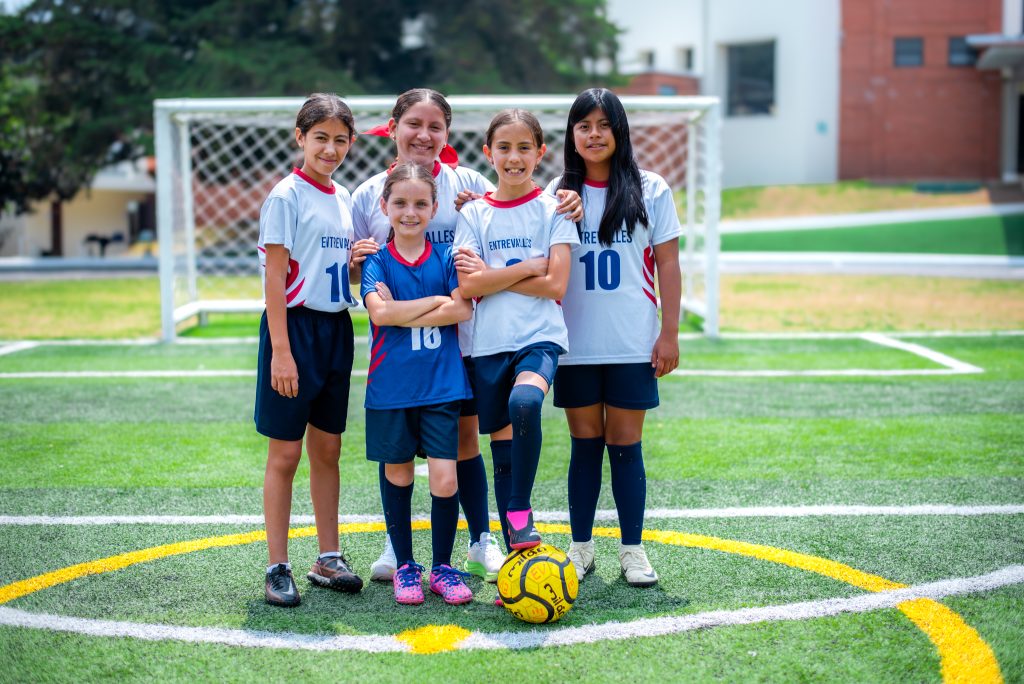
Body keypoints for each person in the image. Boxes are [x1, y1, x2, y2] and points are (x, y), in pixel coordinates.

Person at [350, 88, 582, 582]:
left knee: (463, 445)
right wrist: (361, 274)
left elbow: (510, 209)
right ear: (393, 127)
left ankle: (480, 539)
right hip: (404, 349)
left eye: (436, 127)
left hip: (467, 335)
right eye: (414, 123)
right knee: (398, 455)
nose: (424, 135)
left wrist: (568, 198)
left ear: (449, 136)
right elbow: (362, 270)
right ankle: (399, 550)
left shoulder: (470, 186)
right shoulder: (367, 194)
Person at [546, 88, 681, 588]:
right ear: (572, 136)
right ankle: (580, 547)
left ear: (619, 130)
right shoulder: (557, 194)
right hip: (575, 344)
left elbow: (668, 262)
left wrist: (669, 333)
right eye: (584, 126)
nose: (595, 134)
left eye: (604, 125)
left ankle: (633, 550)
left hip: (632, 343)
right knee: (585, 445)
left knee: (626, 445)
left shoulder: (651, 188)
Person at [453, 108, 580, 554]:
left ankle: (521, 511)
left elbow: (557, 284)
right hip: (489, 344)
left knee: (525, 402)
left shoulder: (555, 210)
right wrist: (527, 266)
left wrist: (495, 275)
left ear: (540, 153)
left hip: (538, 336)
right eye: (504, 148)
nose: (513, 157)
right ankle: (515, 558)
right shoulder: (473, 215)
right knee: (501, 450)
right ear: (488, 153)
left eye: (524, 147)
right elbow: (468, 285)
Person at [255, 93, 363, 607]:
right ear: (300, 138)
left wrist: (360, 264)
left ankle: (328, 556)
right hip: (293, 332)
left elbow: (334, 272)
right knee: (286, 453)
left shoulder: (343, 197)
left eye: (340, 139)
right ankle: (278, 565)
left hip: (336, 330)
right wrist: (281, 351)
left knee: (328, 450)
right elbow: (275, 279)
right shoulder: (285, 197)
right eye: (321, 137)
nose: (330, 148)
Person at [361, 162, 476, 605]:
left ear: (434, 207)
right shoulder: (376, 261)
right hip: (390, 388)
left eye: (421, 203)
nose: (411, 212)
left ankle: (443, 567)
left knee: (445, 480)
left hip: (442, 385)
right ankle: (406, 566)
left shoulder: (446, 258)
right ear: (385, 206)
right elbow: (380, 315)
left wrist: (405, 307)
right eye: (401, 203)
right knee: (400, 473)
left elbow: (462, 311)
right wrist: (434, 302)